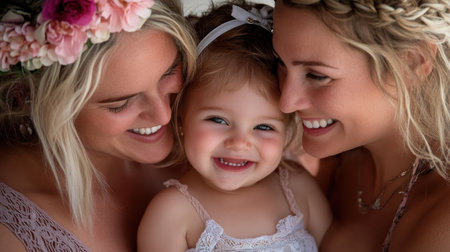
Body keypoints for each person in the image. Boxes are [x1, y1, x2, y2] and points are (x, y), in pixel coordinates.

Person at [0, 0, 196, 251]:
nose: (164, 115)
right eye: (120, 104)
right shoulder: (10, 233)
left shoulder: (220, 140)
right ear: (29, 98)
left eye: (168, 73)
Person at [137, 1, 332, 251]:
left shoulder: (297, 186)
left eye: (264, 127)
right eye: (218, 120)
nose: (239, 142)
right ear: (180, 118)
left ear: (287, 130)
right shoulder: (172, 213)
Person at [272, 0, 450, 251]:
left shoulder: (443, 215)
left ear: (411, 63)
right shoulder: (316, 160)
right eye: (279, 61)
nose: (286, 102)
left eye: (317, 75)